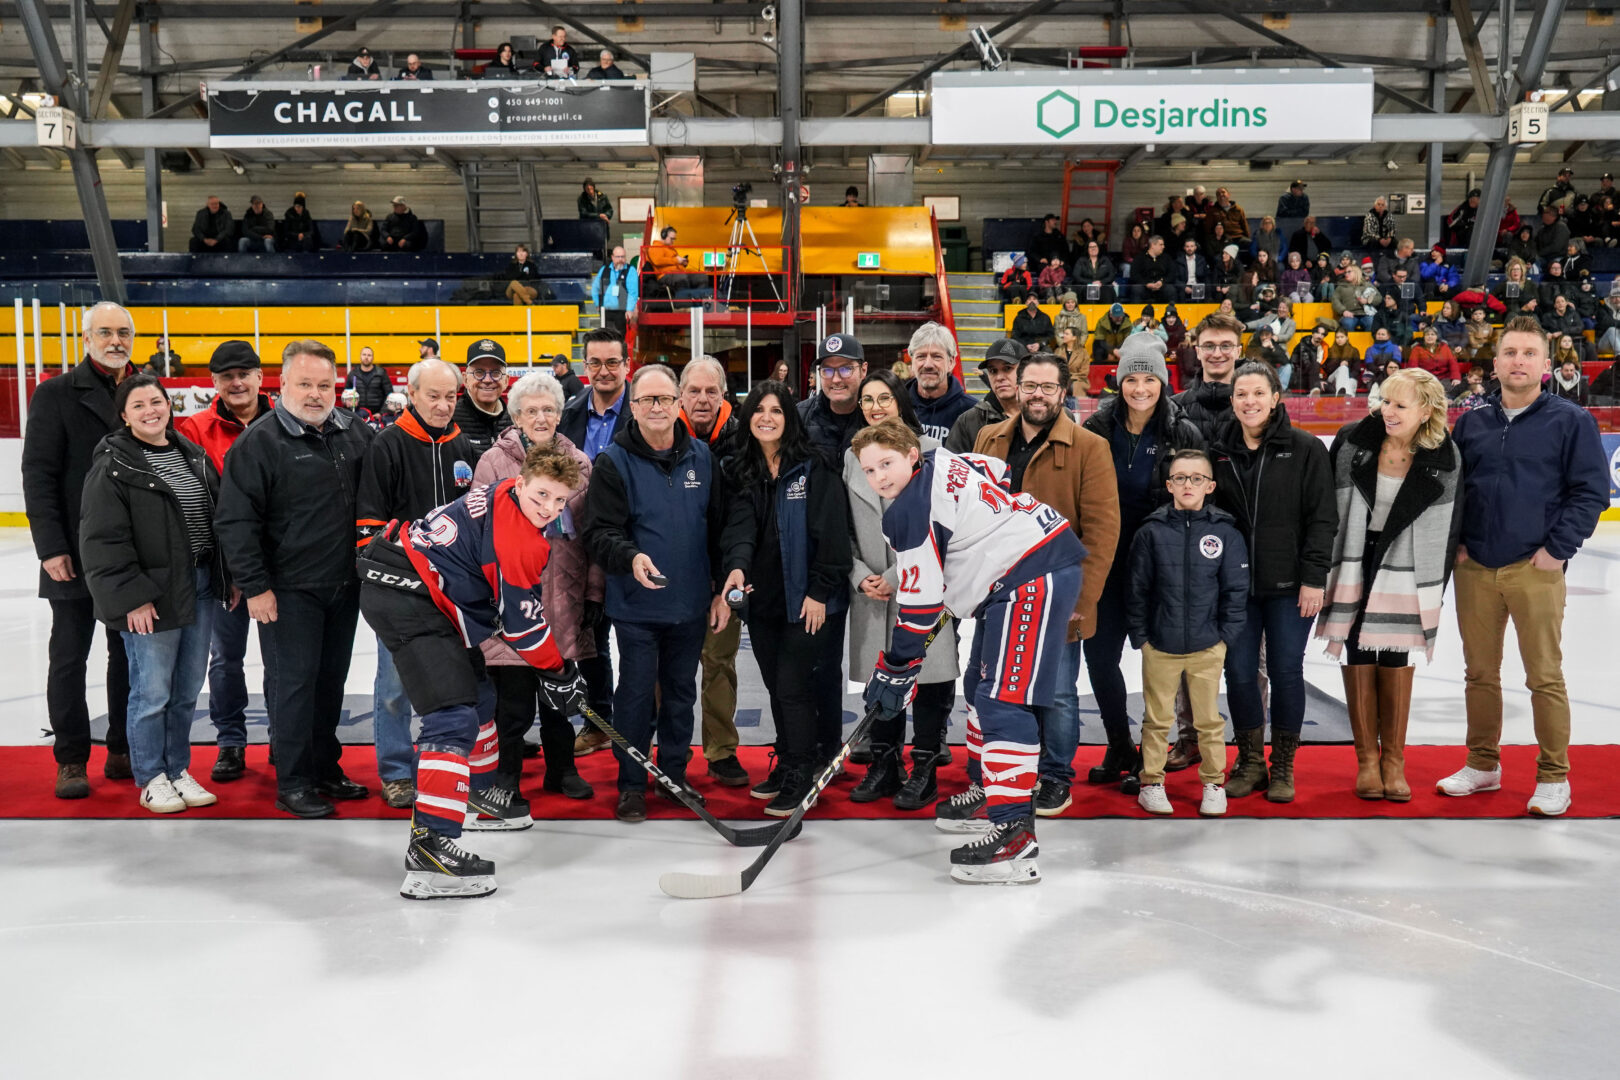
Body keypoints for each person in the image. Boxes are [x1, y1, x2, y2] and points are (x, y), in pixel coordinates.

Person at [853, 419, 1083, 885]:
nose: (879, 476)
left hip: (1029, 577)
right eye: (869, 469)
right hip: (1017, 574)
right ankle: (988, 791)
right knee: (980, 689)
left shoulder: (909, 512)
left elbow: (919, 609)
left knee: (1002, 700)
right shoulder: (942, 460)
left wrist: (896, 668)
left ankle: (1014, 834)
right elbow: (995, 471)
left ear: (911, 455)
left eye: (887, 462)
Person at [360, 446, 586, 898]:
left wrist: (555, 670)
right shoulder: (520, 539)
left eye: (560, 501)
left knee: (480, 694)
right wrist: (560, 673)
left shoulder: (504, 492)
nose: (549, 509)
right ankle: (432, 850)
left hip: (420, 588)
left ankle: (479, 794)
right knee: (452, 715)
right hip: (409, 598)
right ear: (521, 483)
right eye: (542, 495)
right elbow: (522, 628)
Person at [1441, 317, 1607, 816]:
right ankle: (1482, 764)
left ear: (1545, 365)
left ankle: (1554, 776)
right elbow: (1455, 489)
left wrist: (1556, 551)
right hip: (1477, 568)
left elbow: (1591, 493)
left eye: (1528, 354)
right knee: (1479, 675)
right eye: (1510, 352)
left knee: (1544, 677)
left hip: (1535, 568)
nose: (1518, 361)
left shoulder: (1571, 421)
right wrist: (1459, 546)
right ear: (1494, 363)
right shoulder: (1472, 421)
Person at [215, 341, 375, 818]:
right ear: (281, 385)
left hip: (343, 587)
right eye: (304, 384)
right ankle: (295, 781)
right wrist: (256, 586)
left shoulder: (355, 433)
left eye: (324, 385)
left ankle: (326, 768)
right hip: (287, 593)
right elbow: (235, 522)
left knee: (330, 684)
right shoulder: (259, 443)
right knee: (293, 687)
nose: (315, 394)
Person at [973, 352, 1120, 815]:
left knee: (1056, 691)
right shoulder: (987, 437)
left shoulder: (1089, 446)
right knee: (994, 687)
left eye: (1047, 387)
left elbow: (1102, 528)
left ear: (1063, 392)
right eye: (1029, 385)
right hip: (998, 594)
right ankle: (998, 774)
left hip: (1060, 596)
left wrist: (1083, 594)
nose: (1037, 395)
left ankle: (1056, 776)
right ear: (1016, 388)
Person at [583, 364, 727, 823]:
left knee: (682, 694)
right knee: (637, 695)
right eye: (647, 400)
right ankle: (631, 784)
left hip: (689, 606)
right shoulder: (613, 462)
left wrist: (722, 587)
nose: (658, 407)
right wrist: (630, 558)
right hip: (637, 608)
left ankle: (673, 776)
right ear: (634, 406)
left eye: (665, 399)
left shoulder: (702, 458)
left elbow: (719, 529)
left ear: (678, 403)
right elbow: (599, 533)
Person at [79, 372, 228, 814]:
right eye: (139, 405)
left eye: (156, 402)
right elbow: (102, 540)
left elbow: (216, 522)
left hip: (198, 587)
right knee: (152, 693)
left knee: (185, 691)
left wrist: (226, 576)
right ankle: (151, 777)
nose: (150, 411)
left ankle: (177, 769)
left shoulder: (192, 456)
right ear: (124, 417)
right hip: (151, 596)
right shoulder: (113, 466)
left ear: (169, 406)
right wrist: (132, 598)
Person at [1317, 369, 1463, 802]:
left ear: (1427, 411)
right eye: (1384, 401)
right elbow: (1326, 506)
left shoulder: (1445, 455)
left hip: (1407, 564)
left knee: (1394, 653)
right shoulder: (1353, 441)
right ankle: (1366, 760)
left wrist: (1434, 587)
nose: (1387, 411)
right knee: (1361, 647)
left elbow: (1451, 525)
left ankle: (1393, 760)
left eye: (1400, 405)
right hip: (1356, 557)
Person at [720, 381, 852, 815]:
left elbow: (832, 537)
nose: (767, 417)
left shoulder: (814, 466)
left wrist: (818, 591)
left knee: (795, 688)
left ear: (789, 418)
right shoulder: (745, 469)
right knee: (778, 687)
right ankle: (790, 756)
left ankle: (801, 773)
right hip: (765, 601)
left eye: (776, 410)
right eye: (759, 409)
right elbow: (740, 529)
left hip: (809, 602)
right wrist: (737, 567)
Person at [22, 301, 136, 798]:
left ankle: (122, 747)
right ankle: (70, 757)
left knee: (128, 655)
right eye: (106, 332)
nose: (116, 341)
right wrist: (51, 547)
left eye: (124, 333)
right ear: (86, 338)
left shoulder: (143, 392)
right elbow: (38, 475)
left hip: (132, 554)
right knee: (69, 657)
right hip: (72, 552)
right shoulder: (55, 394)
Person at [1209, 362, 1338, 804]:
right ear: (1232, 401)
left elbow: (1323, 519)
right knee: (1240, 673)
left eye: (1258, 394)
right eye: (1241, 394)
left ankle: (1283, 765)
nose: (1250, 402)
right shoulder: (1219, 453)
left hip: (1289, 587)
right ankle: (1250, 761)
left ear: (1275, 397)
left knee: (1285, 672)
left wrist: (1313, 578)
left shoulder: (1305, 449)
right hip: (1237, 589)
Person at [1082, 337, 1204, 791]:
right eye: (1130, 378)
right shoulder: (1096, 427)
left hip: (1160, 565)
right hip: (1107, 563)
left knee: (1161, 661)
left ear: (1162, 381)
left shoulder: (1182, 431)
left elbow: (1195, 500)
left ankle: (1151, 755)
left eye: (1148, 378)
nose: (1139, 388)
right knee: (1099, 657)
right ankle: (1119, 745)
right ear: (1119, 382)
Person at [354, 358, 477, 808]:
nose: (443, 405)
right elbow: (369, 525)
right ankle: (396, 771)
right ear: (412, 393)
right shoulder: (387, 444)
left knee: (450, 683)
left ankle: (444, 767)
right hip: (402, 592)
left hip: (454, 592)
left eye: (450, 396)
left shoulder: (462, 444)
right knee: (394, 686)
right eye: (434, 396)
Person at [472, 373, 598, 802]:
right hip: (510, 596)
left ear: (560, 414)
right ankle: (506, 776)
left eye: (549, 409)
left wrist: (594, 594)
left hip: (564, 596)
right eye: (532, 410)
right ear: (517, 416)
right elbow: (479, 528)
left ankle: (562, 770)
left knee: (561, 692)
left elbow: (592, 534)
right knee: (513, 699)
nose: (541, 417)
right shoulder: (492, 461)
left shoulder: (580, 463)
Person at [845, 370, 960, 808]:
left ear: (900, 401)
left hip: (923, 586)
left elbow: (942, 527)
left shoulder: (932, 454)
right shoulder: (852, 456)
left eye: (884, 398)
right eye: (867, 399)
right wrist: (859, 574)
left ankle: (925, 767)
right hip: (870, 593)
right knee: (883, 678)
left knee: (929, 677)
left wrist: (895, 577)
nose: (875, 406)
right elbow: (845, 531)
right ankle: (884, 764)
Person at [1128, 448, 1250, 817]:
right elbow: (1136, 588)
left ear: (1210, 485)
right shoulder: (1151, 531)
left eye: (1197, 478)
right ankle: (1151, 781)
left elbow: (1235, 589)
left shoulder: (1224, 533)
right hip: (1160, 645)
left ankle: (1213, 783)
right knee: (1157, 718)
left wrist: (1224, 636)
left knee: (1208, 719)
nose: (1188, 484)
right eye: (1180, 478)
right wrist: (1142, 637)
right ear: (1169, 484)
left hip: (1206, 645)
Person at [175, 341, 274, 782]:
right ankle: (230, 742)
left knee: (284, 662)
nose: (237, 382)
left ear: (259, 376)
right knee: (226, 659)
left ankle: (285, 739)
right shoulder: (194, 430)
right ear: (214, 383)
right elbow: (196, 505)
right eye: (226, 376)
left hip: (282, 569)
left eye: (244, 373)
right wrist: (228, 570)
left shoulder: (284, 420)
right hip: (223, 571)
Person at [677, 356, 749, 788]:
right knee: (672, 671)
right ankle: (672, 749)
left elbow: (743, 518)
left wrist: (728, 579)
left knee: (719, 664)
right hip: (676, 578)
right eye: (694, 391)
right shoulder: (660, 435)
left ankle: (721, 751)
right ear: (681, 395)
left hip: (726, 577)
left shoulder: (744, 443)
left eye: (711, 391)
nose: (702, 399)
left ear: (724, 395)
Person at [559, 329, 632, 754]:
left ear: (626, 365)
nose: (604, 371)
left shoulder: (643, 412)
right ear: (585, 366)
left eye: (612, 362)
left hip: (628, 545)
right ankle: (599, 720)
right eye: (596, 363)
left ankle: (643, 726)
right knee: (590, 639)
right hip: (577, 548)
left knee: (636, 641)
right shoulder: (569, 412)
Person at [945, 338, 1021, 454]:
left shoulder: (1042, 416)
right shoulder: (969, 422)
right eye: (993, 371)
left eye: (1008, 368)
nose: (999, 377)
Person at [799, 333, 868, 455]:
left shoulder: (875, 417)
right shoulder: (799, 416)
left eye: (846, 369)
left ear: (863, 370)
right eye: (827, 370)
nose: (836, 379)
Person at [905, 322, 975, 440]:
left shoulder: (971, 412)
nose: (928, 364)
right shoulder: (897, 406)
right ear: (912, 362)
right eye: (921, 356)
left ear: (951, 362)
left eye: (936, 356)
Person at [452, 338, 513, 457]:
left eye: (496, 373)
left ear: (506, 381)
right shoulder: (450, 422)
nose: (487, 380)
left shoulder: (517, 422)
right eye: (479, 372)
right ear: (465, 379)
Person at [645, 226, 707, 300]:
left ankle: (697, 301)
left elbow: (674, 261)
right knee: (681, 278)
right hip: (664, 275)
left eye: (674, 239)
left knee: (702, 277)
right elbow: (657, 261)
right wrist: (677, 260)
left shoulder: (671, 249)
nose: (673, 241)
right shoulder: (655, 247)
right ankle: (683, 305)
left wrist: (682, 263)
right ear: (664, 236)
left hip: (678, 273)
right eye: (671, 239)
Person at [592, 245, 638, 336]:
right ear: (612, 257)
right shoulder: (604, 269)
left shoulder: (630, 270)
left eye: (623, 257)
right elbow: (595, 287)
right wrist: (597, 303)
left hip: (621, 312)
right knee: (606, 337)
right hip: (605, 311)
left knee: (618, 338)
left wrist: (629, 310)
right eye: (618, 257)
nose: (621, 259)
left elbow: (633, 293)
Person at [1408, 326, 1461, 391]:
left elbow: (1452, 363)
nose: (1430, 337)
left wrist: (1456, 378)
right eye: (1427, 335)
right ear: (1424, 337)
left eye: (1432, 334)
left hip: (1444, 377)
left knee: (1450, 389)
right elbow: (1413, 366)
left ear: (1436, 337)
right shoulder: (1417, 349)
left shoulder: (1444, 346)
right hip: (1426, 379)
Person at [345, 347, 390, 413]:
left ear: (373, 357)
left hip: (377, 415)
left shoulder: (381, 373)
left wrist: (381, 413)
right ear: (360, 356)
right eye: (364, 354)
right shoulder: (353, 374)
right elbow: (346, 395)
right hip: (358, 414)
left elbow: (389, 395)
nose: (366, 357)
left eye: (369, 355)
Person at [1131, 234, 1175, 303]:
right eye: (1161, 245)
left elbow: (1171, 274)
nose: (1163, 247)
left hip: (1161, 286)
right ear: (1152, 245)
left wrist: (1162, 282)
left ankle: (1171, 312)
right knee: (1136, 289)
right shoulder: (1140, 258)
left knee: (1171, 290)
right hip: (1145, 286)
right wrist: (1146, 284)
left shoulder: (1167, 258)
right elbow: (1134, 274)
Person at [1323, 328, 1362, 396]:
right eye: (1337, 337)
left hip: (1350, 377)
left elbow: (1356, 370)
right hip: (1332, 378)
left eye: (1342, 337)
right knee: (1343, 368)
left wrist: (1346, 377)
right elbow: (1328, 370)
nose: (1339, 339)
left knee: (1351, 381)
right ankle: (1341, 394)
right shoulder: (1330, 351)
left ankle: (1346, 398)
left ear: (1346, 338)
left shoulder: (1354, 351)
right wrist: (1339, 364)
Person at [1171, 236, 1210, 300]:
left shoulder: (1201, 260)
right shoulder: (1178, 261)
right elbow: (1175, 278)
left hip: (1198, 286)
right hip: (1184, 286)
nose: (1190, 248)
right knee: (1180, 293)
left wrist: (1202, 286)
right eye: (1187, 246)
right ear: (1184, 248)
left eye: (1192, 246)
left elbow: (1206, 276)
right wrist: (1184, 287)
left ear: (1195, 247)